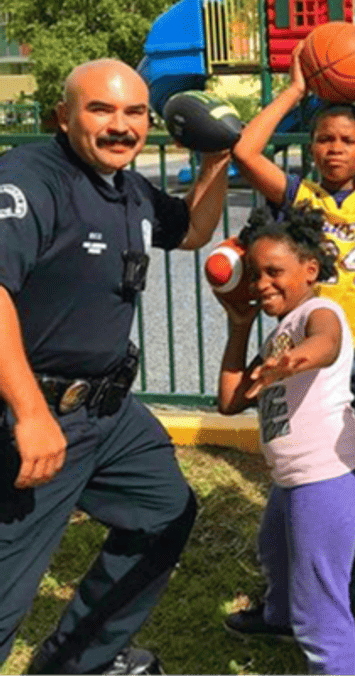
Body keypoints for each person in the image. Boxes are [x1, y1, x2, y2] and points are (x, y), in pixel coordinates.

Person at [0, 59, 230, 676]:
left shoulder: (126, 186)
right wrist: (28, 414)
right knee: (4, 593)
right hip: (36, 413)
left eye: (134, 113)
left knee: (165, 513)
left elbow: (191, 231)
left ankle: (78, 663)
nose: (121, 126)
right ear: (64, 116)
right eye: (101, 110)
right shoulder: (30, 180)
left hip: (108, 412)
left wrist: (215, 159)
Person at [230, 39, 355, 643]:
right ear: (312, 149)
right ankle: (325, 588)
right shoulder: (302, 200)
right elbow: (245, 150)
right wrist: (296, 89)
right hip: (313, 367)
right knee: (319, 479)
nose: (334, 148)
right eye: (324, 139)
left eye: (346, 140)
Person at [216, 205, 355, 676]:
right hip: (296, 480)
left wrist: (297, 360)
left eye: (274, 272)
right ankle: (281, 617)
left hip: (327, 477)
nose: (262, 283)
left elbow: (325, 343)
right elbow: (229, 400)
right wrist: (240, 327)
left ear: (310, 270)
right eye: (254, 274)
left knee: (321, 605)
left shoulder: (317, 310)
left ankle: (326, 655)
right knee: (274, 547)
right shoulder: (276, 338)